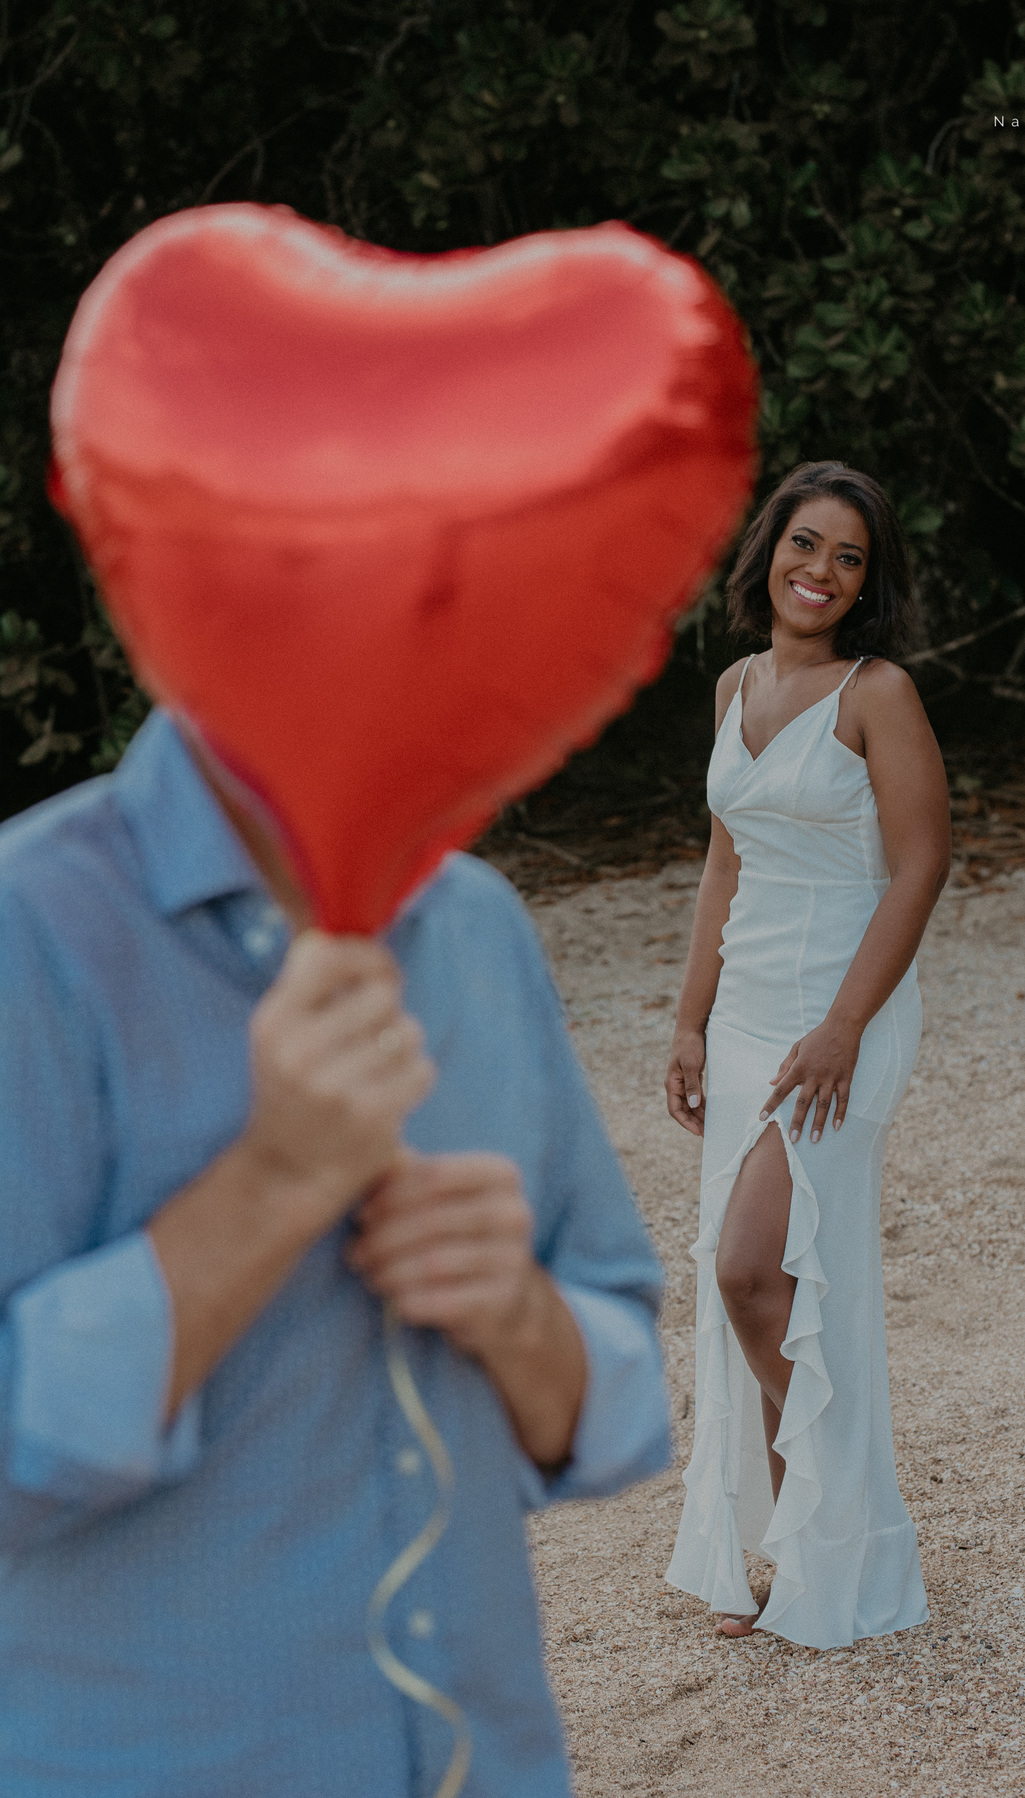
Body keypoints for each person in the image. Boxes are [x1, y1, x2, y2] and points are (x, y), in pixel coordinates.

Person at [0, 706, 671, 1797]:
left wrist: (518, 1313)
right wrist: (268, 1187)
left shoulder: (479, 923)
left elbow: (627, 1404)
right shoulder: (24, 925)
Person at [663, 460, 951, 1648]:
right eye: (806, 545)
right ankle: (807, 1537)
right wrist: (687, 1017)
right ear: (768, 550)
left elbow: (923, 860)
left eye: (849, 558)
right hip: (743, 1024)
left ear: (868, 584)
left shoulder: (877, 693)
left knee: (752, 1270)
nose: (821, 572)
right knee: (762, 1281)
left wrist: (842, 1026)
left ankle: (839, 1523)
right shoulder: (736, 683)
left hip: (845, 1011)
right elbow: (725, 865)